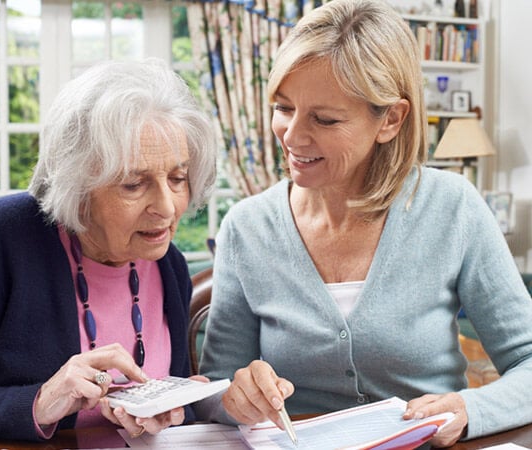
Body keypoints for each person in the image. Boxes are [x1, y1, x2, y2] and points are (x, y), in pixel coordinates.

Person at [196, 0, 532, 447]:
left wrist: (472, 409)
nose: (292, 136)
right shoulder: (246, 228)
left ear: (390, 119)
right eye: (283, 107)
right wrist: (235, 397)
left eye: (325, 118)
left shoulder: (454, 209)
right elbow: (215, 387)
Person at [0, 58, 217, 441]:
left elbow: (168, 403)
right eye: (134, 184)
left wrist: (176, 407)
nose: (166, 207)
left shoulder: (168, 264)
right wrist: (41, 402)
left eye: (178, 178)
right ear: (78, 187)